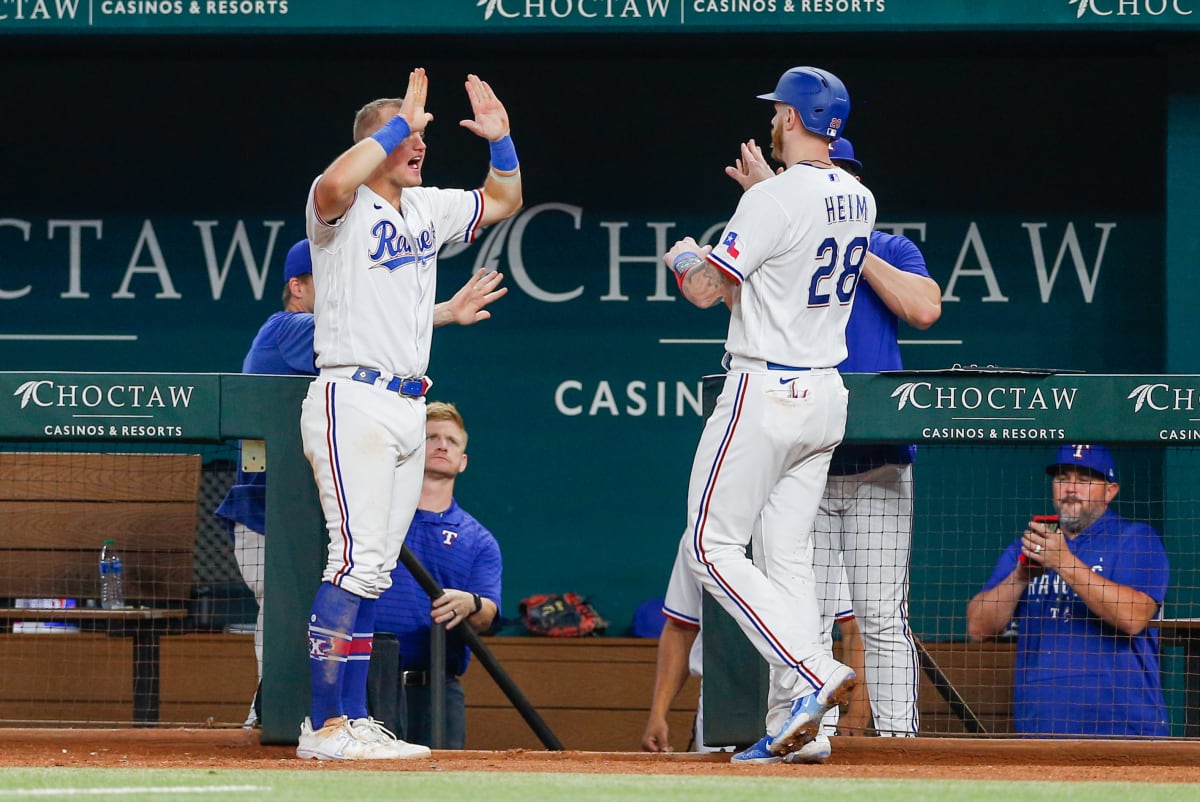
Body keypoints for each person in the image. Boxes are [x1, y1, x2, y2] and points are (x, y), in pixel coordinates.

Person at [296, 68, 522, 761]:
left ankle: (354, 718)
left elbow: (504, 199)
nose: (420, 143)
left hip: (406, 403)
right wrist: (400, 122)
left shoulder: (425, 210)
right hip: (351, 397)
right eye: (408, 136)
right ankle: (324, 724)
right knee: (355, 561)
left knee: (374, 571)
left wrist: (503, 141)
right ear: (375, 143)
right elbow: (332, 185)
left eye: (422, 134)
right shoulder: (340, 207)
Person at [661, 65, 873, 765]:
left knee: (709, 549)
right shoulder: (859, 197)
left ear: (793, 117)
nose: (772, 120)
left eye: (779, 111)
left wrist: (685, 255)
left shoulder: (775, 199)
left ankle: (812, 671)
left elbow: (702, 291)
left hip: (766, 393)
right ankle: (799, 731)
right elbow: (771, 282)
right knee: (785, 559)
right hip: (824, 396)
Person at [966, 445, 1170, 737]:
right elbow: (978, 627)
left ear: (1110, 491)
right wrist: (1021, 576)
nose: (1071, 488)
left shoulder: (1135, 539)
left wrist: (1063, 562)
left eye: (1085, 480)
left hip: (1125, 728)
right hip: (1042, 728)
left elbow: (1133, 616)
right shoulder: (1028, 547)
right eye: (1062, 478)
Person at [216, 237, 318, 728]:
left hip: (306, 511)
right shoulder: (288, 327)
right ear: (297, 287)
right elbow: (364, 332)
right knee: (283, 613)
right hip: (265, 512)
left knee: (302, 616)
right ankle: (271, 712)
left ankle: (275, 713)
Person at [372, 401, 501, 749]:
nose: (442, 445)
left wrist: (470, 603)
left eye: (452, 441)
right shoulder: (372, 516)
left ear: (463, 461)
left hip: (436, 691)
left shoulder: (479, 540)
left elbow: (488, 613)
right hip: (366, 685)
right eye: (430, 437)